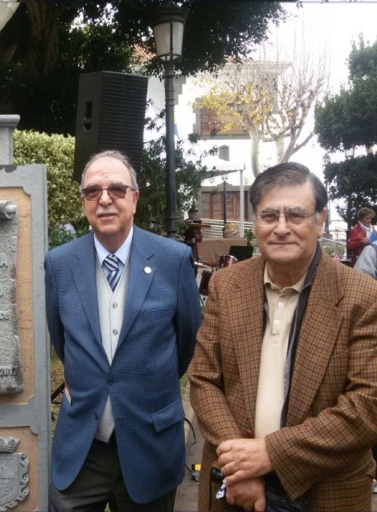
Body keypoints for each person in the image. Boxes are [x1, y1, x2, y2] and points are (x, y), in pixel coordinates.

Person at [189, 162, 377, 511]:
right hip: (234, 489)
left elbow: (366, 407)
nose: (281, 228)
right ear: (255, 221)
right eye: (268, 215)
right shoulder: (227, 285)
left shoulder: (363, 296)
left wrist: (270, 454)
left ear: (320, 221)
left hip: (326, 492)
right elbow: (203, 379)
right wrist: (242, 466)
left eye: (295, 215)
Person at [45, 149, 201, 510]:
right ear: (84, 201)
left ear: (135, 197)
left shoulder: (172, 260)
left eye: (116, 189)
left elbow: (186, 340)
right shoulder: (59, 264)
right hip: (83, 449)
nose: (104, 200)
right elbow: (61, 339)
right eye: (92, 191)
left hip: (149, 443)